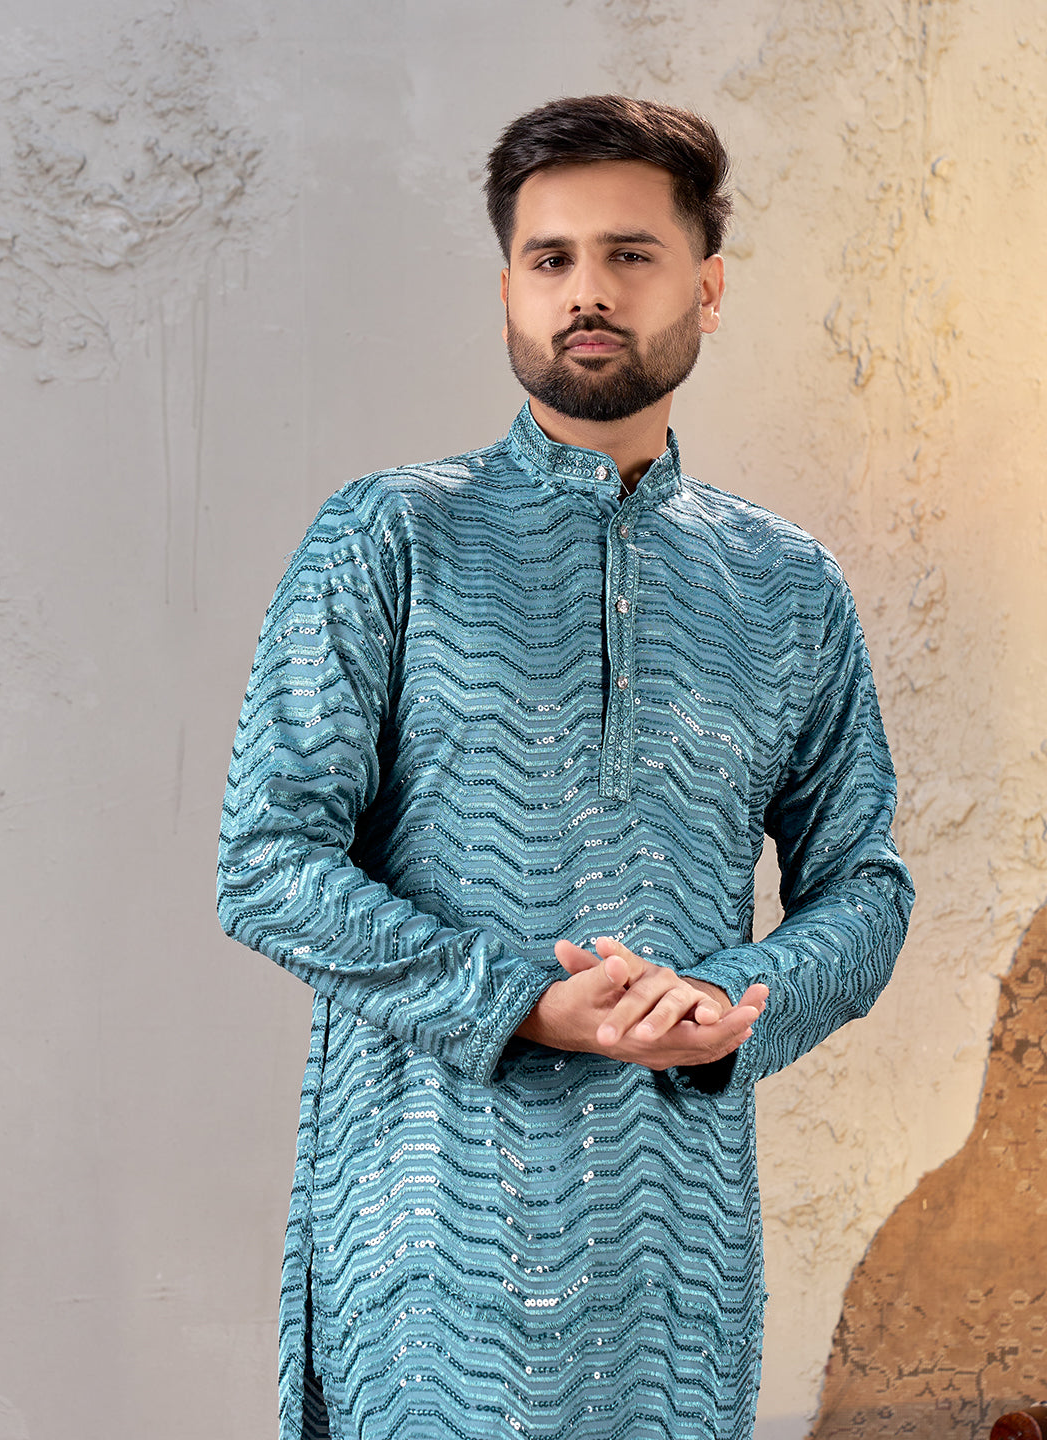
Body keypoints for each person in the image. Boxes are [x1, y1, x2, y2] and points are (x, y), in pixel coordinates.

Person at [218, 94, 914, 1440]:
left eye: (629, 254)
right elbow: (267, 862)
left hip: (674, 1258)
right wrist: (530, 1004)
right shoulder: (390, 537)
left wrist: (738, 999)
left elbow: (865, 887)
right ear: (508, 294)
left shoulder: (785, 586)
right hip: (420, 1238)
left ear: (709, 288)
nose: (586, 291)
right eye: (551, 259)